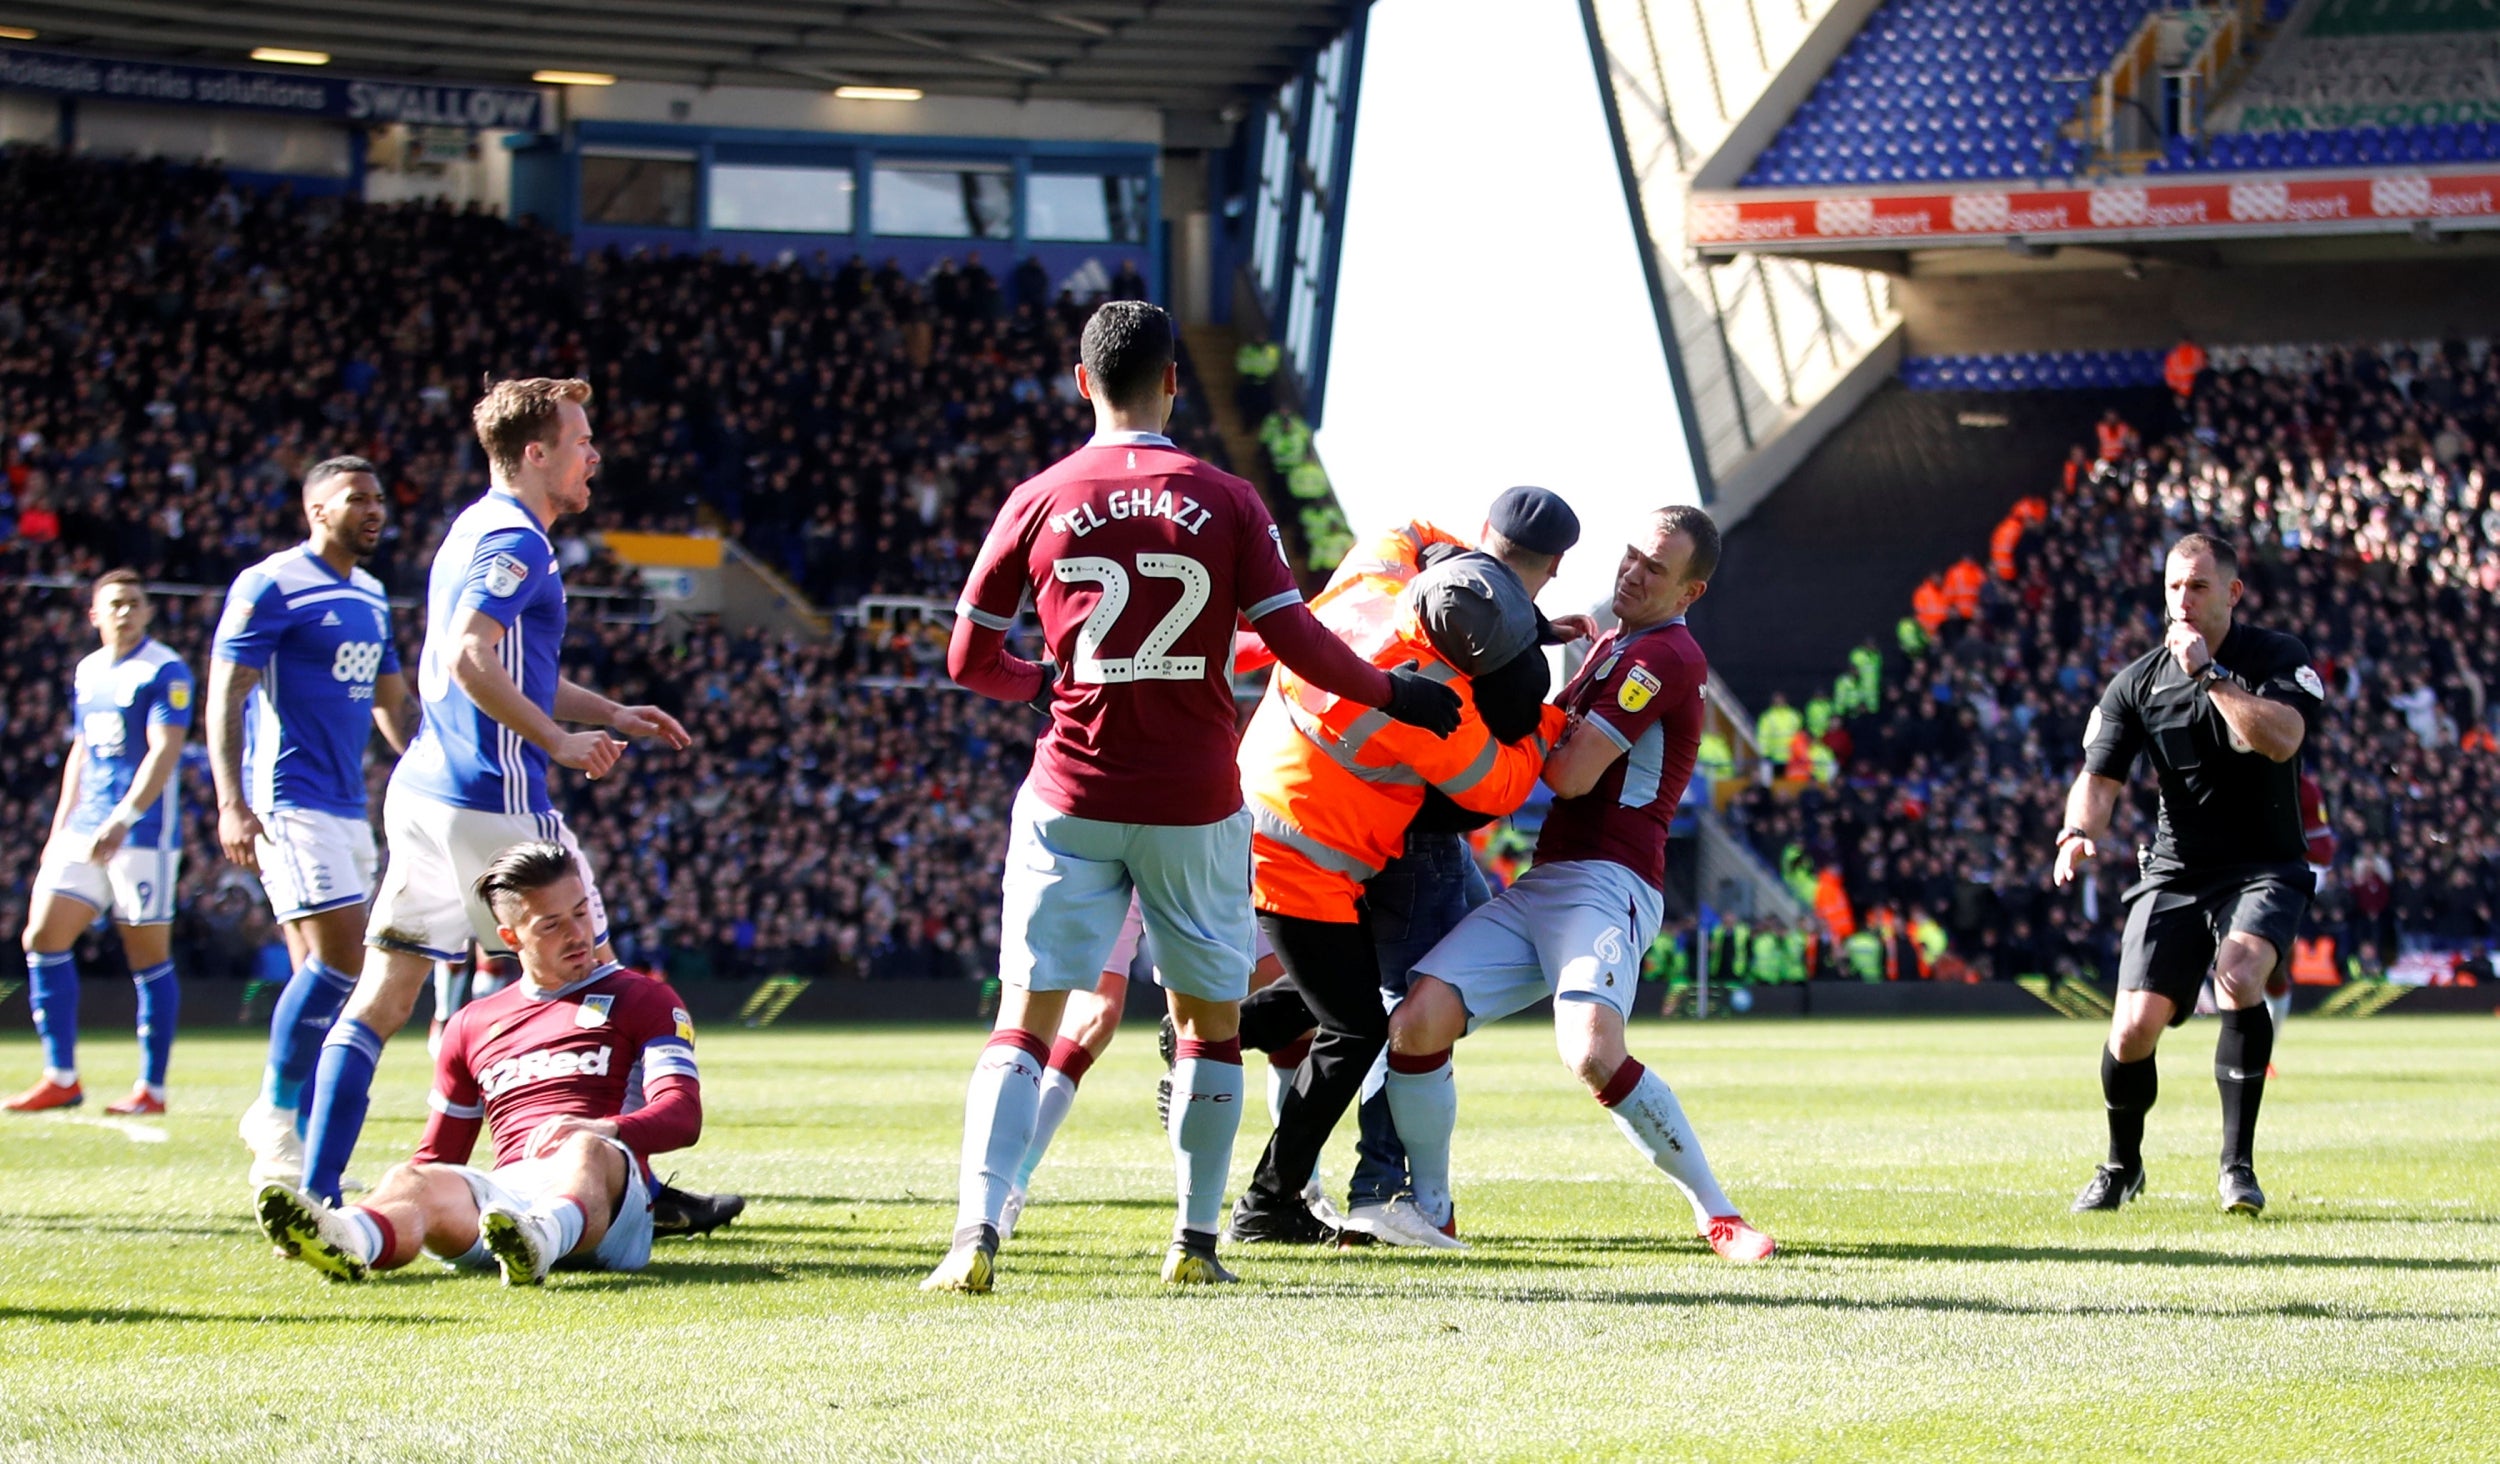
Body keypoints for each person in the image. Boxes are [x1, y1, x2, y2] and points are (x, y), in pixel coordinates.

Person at [927, 300, 1462, 1292]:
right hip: (1194, 803)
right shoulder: (1226, 498)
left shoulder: (1034, 496)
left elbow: (968, 658)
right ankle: (1192, 1243)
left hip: (1070, 792)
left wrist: (1044, 682)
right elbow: (1297, 643)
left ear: (1082, 383)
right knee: (1209, 1024)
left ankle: (973, 1237)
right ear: (1174, 383)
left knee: (1025, 1021)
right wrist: (1397, 693)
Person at [294, 379, 695, 1209]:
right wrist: (557, 741)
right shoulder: (518, 538)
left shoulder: (473, 529)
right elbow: (471, 658)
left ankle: (318, 1188)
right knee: (600, 979)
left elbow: (513, 666)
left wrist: (609, 710)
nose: (595, 455)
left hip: (425, 791)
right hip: (494, 795)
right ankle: (634, 1189)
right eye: (581, 440)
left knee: (386, 994)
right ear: (536, 453)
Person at [1382, 506, 1778, 1263]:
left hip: (1609, 880)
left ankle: (1718, 1215)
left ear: (1689, 592)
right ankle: (1431, 1211)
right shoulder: (1615, 644)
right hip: (1547, 881)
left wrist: (1511, 688)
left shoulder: (1664, 656)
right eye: (1631, 555)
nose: (1631, 572)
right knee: (1418, 1020)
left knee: (1591, 1051)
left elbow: (1566, 771)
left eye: (1654, 569)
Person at [1224, 493, 1584, 1248]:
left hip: (1251, 806)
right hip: (1305, 861)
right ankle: (1268, 1202)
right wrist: (1549, 715)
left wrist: (1480, 571)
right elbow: (1505, 785)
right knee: (1355, 1027)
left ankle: (1216, 1031)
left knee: (1343, 987)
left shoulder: (1370, 583)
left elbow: (1413, 529)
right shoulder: (1440, 706)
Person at [256, 842, 702, 1285]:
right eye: (552, 925)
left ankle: (543, 1236)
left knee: (585, 1150)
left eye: (582, 913)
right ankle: (347, 1237)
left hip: (610, 1205)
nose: (578, 935)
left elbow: (683, 1115)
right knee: (412, 1179)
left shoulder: (642, 997)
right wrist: (412, 1189)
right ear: (510, 937)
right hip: (506, 1210)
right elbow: (440, 1155)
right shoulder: (472, 1023)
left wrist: (605, 1128)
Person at [2054, 533, 2325, 1217]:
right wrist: (2079, 830)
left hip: (2265, 865)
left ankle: (2237, 1168)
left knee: (2239, 975)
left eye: (2198, 586)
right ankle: (2121, 1165)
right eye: (2174, 586)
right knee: (2130, 1033)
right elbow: (2100, 776)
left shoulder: (2275, 657)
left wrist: (2210, 676)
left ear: (2231, 593)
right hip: (2176, 871)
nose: (2183, 598)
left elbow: (2283, 739)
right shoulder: (2137, 682)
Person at [213, 458, 416, 1185]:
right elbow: (226, 689)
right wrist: (230, 800)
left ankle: (294, 1141)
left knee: (321, 971)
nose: (374, 510)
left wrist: (429, 757)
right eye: (356, 498)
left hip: (345, 804)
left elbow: (391, 701)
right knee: (343, 962)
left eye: (379, 499)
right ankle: (271, 1111)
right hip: (288, 799)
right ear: (316, 510)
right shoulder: (272, 583)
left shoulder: (369, 592)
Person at [7, 571, 195, 1114]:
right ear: (94, 614)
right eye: (114, 604)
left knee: (147, 956)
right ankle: (61, 1076)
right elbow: (82, 751)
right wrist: (59, 827)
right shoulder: (88, 671)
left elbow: (165, 750)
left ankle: (151, 1089)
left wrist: (124, 815)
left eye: (134, 604)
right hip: (83, 828)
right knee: (42, 936)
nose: (124, 612)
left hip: (142, 833)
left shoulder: (164, 670)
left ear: (147, 612)